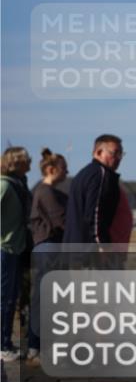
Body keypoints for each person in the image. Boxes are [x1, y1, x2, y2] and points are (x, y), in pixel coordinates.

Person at [25, 149, 69, 364]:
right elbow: (61, 220)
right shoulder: (47, 192)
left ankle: (38, 347)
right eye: (63, 167)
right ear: (52, 169)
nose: (67, 171)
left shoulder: (45, 191)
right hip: (49, 247)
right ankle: (37, 348)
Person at [1, 149, 32, 362]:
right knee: (3, 298)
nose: (30, 162)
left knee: (10, 298)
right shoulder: (4, 185)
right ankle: (2, 344)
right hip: (4, 247)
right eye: (26, 159)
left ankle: (5, 341)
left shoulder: (19, 184)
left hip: (15, 247)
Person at [62, 135, 123, 245]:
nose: (118, 158)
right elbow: (95, 211)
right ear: (99, 152)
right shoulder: (100, 174)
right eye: (114, 153)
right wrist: (100, 244)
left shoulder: (82, 174)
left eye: (121, 154)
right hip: (89, 249)